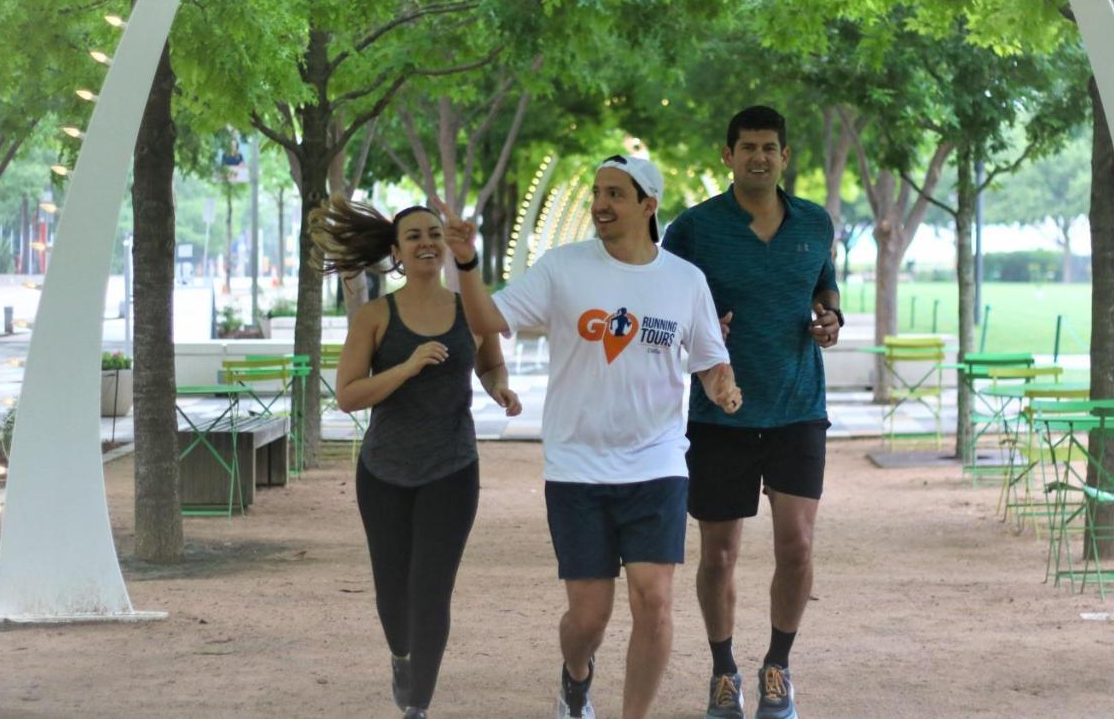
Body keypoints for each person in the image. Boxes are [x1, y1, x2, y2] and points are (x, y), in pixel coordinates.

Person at [433, 155, 743, 719]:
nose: (600, 203)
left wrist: (723, 387)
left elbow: (709, 361)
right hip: (577, 468)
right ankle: (576, 676)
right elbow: (484, 320)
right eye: (598, 192)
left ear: (648, 205)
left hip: (657, 463)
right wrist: (467, 263)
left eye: (615, 194)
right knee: (589, 618)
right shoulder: (562, 268)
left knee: (655, 600)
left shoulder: (684, 280)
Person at [309, 196, 522, 719]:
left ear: (447, 244)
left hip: (451, 468)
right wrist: (406, 367)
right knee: (392, 590)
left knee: (431, 589)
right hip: (384, 471)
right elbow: (348, 395)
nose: (427, 242)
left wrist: (500, 390)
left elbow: (492, 364)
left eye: (434, 233)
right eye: (414, 236)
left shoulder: (470, 310)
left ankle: (418, 705)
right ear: (397, 253)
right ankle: (402, 657)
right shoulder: (376, 317)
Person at [662, 105, 842, 719]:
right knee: (718, 555)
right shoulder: (692, 229)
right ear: (728, 155)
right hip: (720, 415)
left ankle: (778, 668)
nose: (759, 157)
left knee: (797, 546)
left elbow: (823, 283)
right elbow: (667, 311)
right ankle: (723, 672)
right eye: (748, 147)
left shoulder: (816, 223)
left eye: (770, 147)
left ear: (785, 156)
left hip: (798, 408)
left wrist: (830, 317)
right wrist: (701, 332)